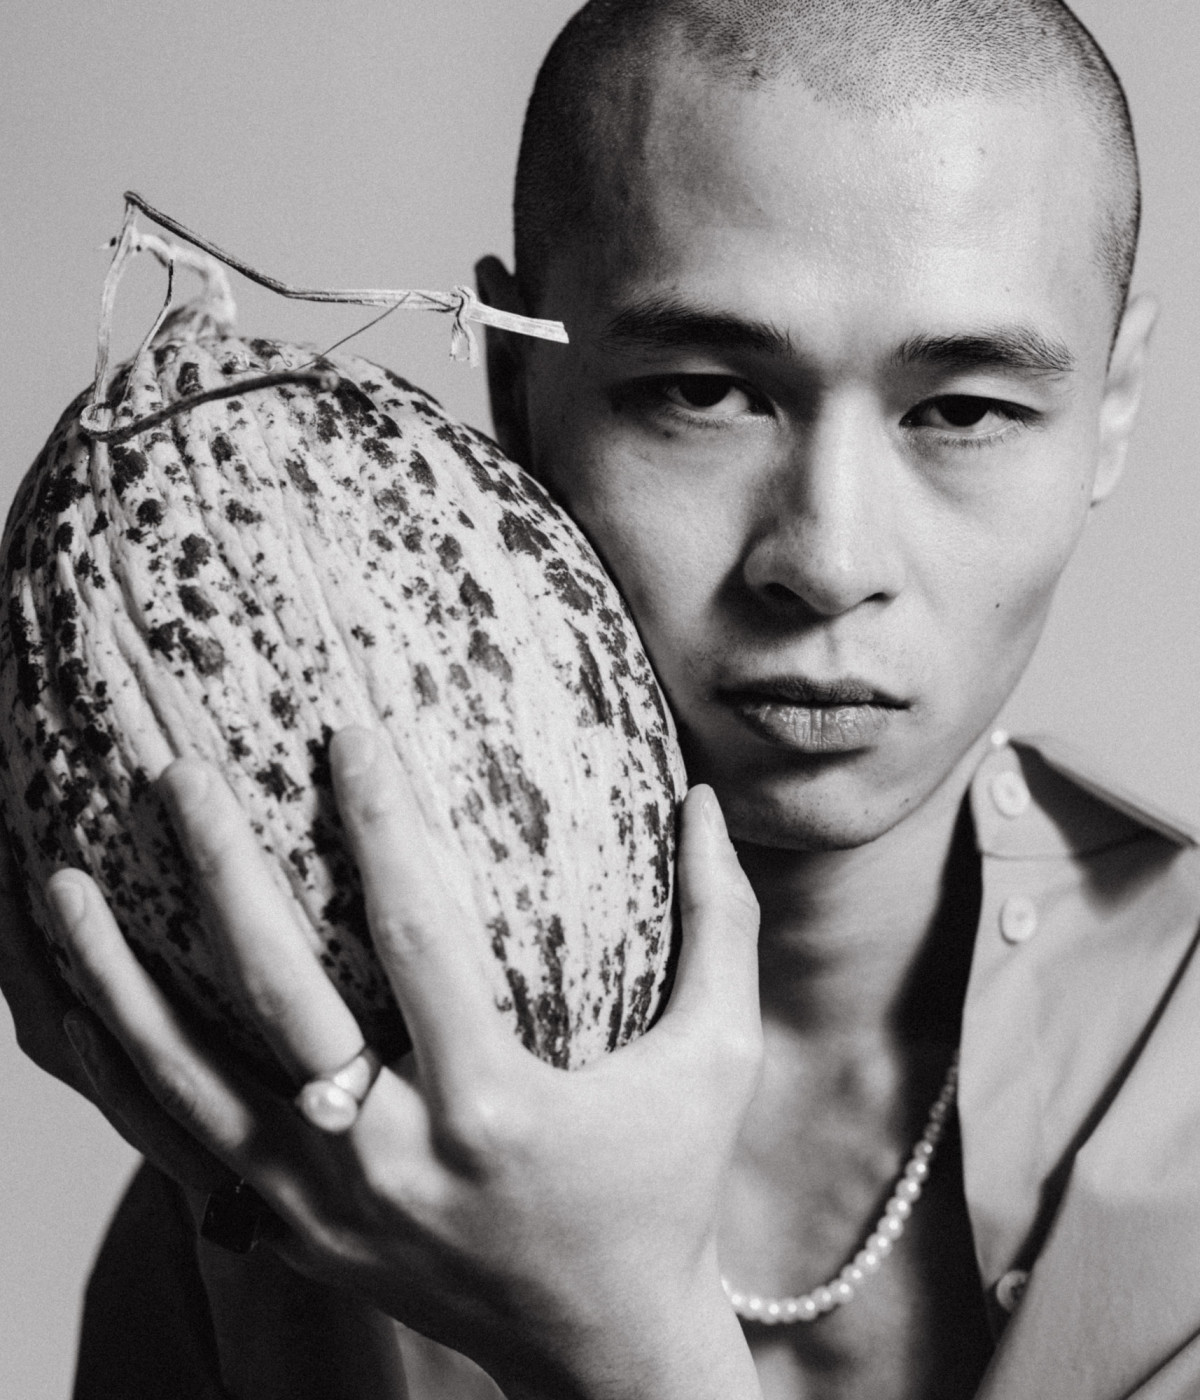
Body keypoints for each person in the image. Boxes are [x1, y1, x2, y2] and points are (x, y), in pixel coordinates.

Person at [2, 0, 1198, 1396]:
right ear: (518, 388)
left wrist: (612, 1336)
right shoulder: (285, 1153)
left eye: (966, 410)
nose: (828, 561)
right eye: (704, 393)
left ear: (1112, 408)